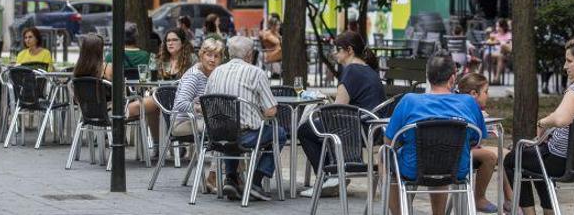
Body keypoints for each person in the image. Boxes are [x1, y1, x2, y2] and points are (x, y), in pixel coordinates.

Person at [503, 38, 574, 215]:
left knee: (513, 159)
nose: (565, 66)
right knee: (537, 155)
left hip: (563, 162)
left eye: (569, 61)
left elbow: (561, 119)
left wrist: (541, 123)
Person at [384, 53, 486, 215]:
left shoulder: (409, 101)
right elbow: (476, 140)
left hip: (413, 168)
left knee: (384, 156)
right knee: (444, 155)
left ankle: (398, 212)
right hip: (456, 169)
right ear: (453, 78)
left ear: (428, 77)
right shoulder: (469, 102)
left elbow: (389, 141)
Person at [299, 30, 386, 197]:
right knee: (317, 127)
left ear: (350, 50)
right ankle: (333, 175)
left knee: (305, 129)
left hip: (356, 130)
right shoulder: (368, 69)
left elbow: (337, 110)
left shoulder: (351, 71)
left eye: (338, 49)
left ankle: (329, 177)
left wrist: (322, 102)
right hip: (372, 128)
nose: (334, 53)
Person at [204, 36, 286, 201]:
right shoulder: (256, 73)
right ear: (249, 54)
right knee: (280, 133)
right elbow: (271, 111)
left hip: (217, 136)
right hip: (244, 136)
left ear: (228, 52)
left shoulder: (216, 72)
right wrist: (256, 113)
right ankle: (255, 181)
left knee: (230, 130)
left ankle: (231, 179)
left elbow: (207, 103)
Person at [74, 33, 162, 146]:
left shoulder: (78, 71)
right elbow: (121, 93)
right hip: (115, 113)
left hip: (88, 113)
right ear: (100, 50)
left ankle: (158, 146)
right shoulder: (107, 69)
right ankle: (160, 145)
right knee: (157, 100)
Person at [172, 38, 224, 193]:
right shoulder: (194, 76)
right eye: (209, 55)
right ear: (201, 55)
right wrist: (202, 109)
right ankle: (214, 177)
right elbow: (180, 104)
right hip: (181, 123)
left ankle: (231, 177)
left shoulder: (215, 74)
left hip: (201, 121)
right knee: (220, 130)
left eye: (216, 56)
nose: (212, 59)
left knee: (229, 127)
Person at [457, 73, 513, 214]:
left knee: (505, 154)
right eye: (486, 92)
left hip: (469, 147)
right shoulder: (465, 107)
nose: (488, 95)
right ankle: (479, 198)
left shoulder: (475, 108)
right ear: (474, 94)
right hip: (460, 150)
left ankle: (510, 200)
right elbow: (478, 136)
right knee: (490, 157)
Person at [486, 19, 512, 83]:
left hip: (505, 54)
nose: (497, 28)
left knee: (500, 56)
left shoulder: (508, 35)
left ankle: (496, 78)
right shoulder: (495, 35)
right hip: (495, 53)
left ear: (503, 27)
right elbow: (489, 42)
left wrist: (500, 42)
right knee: (489, 56)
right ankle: (496, 78)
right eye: (496, 26)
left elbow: (509, 46)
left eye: (498, 26)